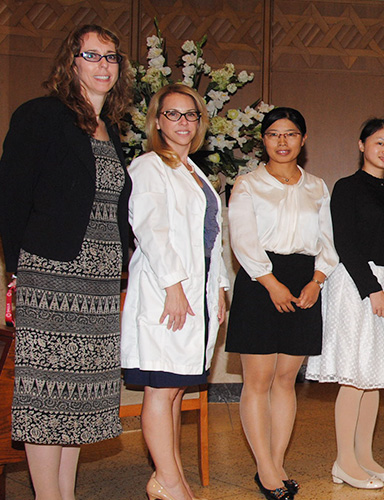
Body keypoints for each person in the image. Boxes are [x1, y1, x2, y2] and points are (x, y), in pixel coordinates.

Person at [0, 24, 133, 500]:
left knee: (78, 396)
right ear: (71, 62)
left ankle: (64, 494)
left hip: (98, 279)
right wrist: (22, 269)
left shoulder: (111, 129)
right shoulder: (39, 115)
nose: (103, 65)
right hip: (51, 272)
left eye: (111, 57)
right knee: (45, 394)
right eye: (91, 55)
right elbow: (11, 199)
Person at [122, 84, 228, 500]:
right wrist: (173, 287)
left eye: (190, 115)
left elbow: (212, 238)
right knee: (161, 388)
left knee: (177, 389)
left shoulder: (193, 171)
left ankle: (172, 477)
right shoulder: (149, 166)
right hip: (167, 290)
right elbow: (151, 230)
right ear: (157, 121)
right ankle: (167, 482)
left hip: (196, 289)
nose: (182, 123)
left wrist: (218, 288)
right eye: (173, 114)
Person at [227, 107, 338, 500]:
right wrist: (270, 282)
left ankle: (275, 462)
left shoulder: (317, 186)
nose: (282, 141)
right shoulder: (247, 183)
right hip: (260, 281)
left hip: (305, 280)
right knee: (257, 381)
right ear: (264, 139)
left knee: (286, 380)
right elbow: (241, 238)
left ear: (303, 139)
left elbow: (329, 241)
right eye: (274, 134)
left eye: (290, 134)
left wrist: (318, 280)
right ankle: (266, 468)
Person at [305, 119, 384, 490]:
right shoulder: (346, 188)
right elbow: (345, 243)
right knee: (354, 374)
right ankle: (344, 462)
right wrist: (373, 290)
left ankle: (364, 456)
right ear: (361, 145)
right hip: (355, 284)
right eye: (379, 142)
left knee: (374, 378)